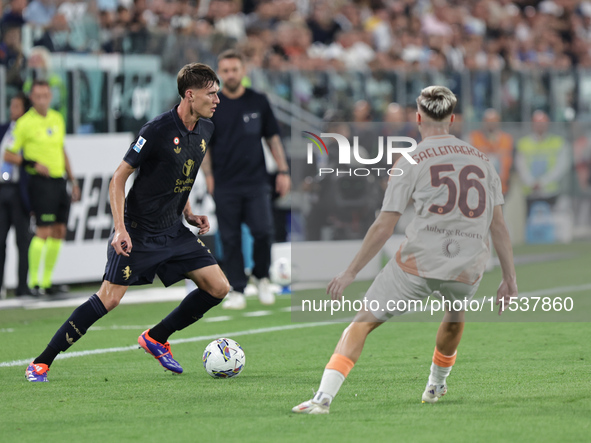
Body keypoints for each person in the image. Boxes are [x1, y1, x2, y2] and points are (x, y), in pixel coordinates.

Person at [292, 86, 518, 414]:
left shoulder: (410, 158)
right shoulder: (483, 160)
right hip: (467, 264)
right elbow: (498, 225)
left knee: (362, 322)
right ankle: (436, 384)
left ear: (417, 118)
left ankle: (322, 399)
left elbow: (384, 225)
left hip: (419, 261)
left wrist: (351, 271)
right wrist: (509, 277)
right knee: (454, 316)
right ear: (452, 119)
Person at [24, 62, 230, 382]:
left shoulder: (206, 129)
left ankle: (156, 337)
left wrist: (187, 211)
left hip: (173, 229)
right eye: (211, 93)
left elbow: (181, 174)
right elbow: (118, 179)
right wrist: (121, 228)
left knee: (218, 287)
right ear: (190, 95)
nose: (217, 99)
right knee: (109, 299)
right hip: (139, 231)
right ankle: (41, 362)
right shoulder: (157, 130)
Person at [202, 49, 291, 310]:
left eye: (234, 69)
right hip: (225, 182)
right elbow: (205, 145)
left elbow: (273, 138)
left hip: (256, 182)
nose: (230, 74)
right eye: (225, 70)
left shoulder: (258, 101)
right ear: (220, 74)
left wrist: (283, 171)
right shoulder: (212, 105)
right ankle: (237, 288)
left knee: (263, 231)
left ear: (244, 71)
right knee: (229, 238)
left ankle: (262, 277)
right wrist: (208, 177)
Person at [4, 80, 80, 296]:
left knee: (59, 230)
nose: (42, 100)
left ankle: (47, 281)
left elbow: (62, 149)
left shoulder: (57, 118)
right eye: (38, 96)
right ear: (32, 97)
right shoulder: (25, 123)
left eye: (46, 95)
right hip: (39, 182)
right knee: (43, 230)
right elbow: (8, 154)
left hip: (59, 181)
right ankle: (35, 282)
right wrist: (31, 163)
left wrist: (73, 180)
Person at [0, 92, 31, 297]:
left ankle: (22, 287)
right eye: (11, 106)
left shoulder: (29, 131)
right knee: (0, 241)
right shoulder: (4, 129)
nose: (13, 110)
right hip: (2, 188)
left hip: (19, 191)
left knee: (23, 242)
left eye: (17, 106)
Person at [470, 108, 514, 196]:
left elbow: (509, 163)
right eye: (488, 121)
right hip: (480, 188)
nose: (491, 124)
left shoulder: (506, 139)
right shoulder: (474, 138)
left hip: (501, 187)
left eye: (494, 121)